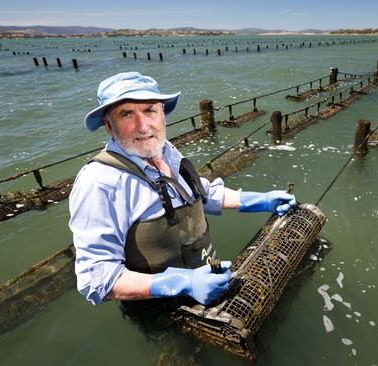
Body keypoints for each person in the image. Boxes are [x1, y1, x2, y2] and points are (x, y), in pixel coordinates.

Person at [68, 72, 296, 307]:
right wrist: (182, 283)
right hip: (161, 310)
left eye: (149, 110)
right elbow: (95, 279)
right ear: (109, 125)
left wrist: (256, 200)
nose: (143, 126)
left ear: (163, 114)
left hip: (210, 278)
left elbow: (199, 192)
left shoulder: (165, 150)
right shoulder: (99, 182)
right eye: (126, 114)